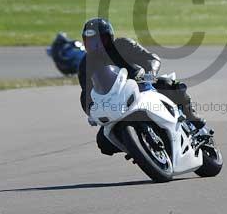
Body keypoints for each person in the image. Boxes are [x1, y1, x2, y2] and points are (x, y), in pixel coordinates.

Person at [77, 18, 206, 154]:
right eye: (90, 42)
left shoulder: (123, 45)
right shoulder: (85, 64)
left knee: (169, 85)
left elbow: (152, 58)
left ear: (109, 38)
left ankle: (195, 122)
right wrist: (91, 111)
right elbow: (87, 92)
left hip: (141, 85)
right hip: (116, 102)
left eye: (99, 41)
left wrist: (150, 73)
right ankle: (138, 149)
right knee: (103, 142)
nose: (95, 46)